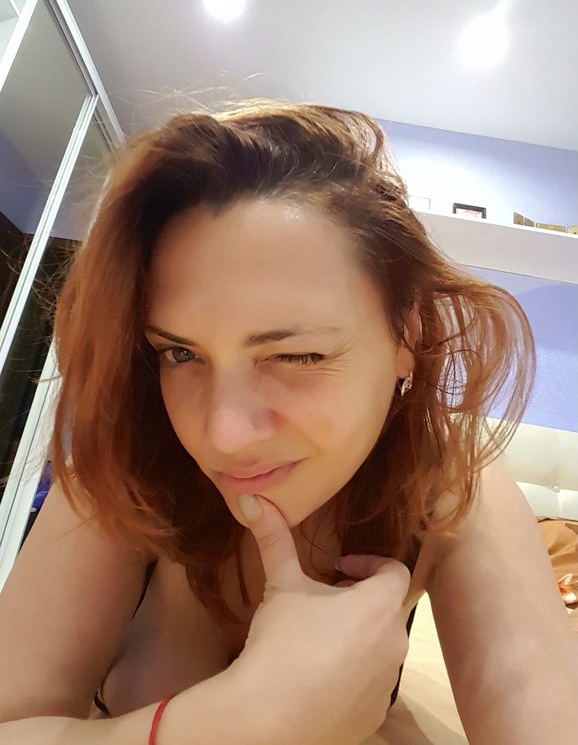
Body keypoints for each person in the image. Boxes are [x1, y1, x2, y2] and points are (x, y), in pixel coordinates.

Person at [0, 100, 576, 745]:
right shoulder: (132, 459)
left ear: (405, 335)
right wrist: (234, 721)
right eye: (180, 354)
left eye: (297, 356)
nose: (223, 434)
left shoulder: (444, 476)